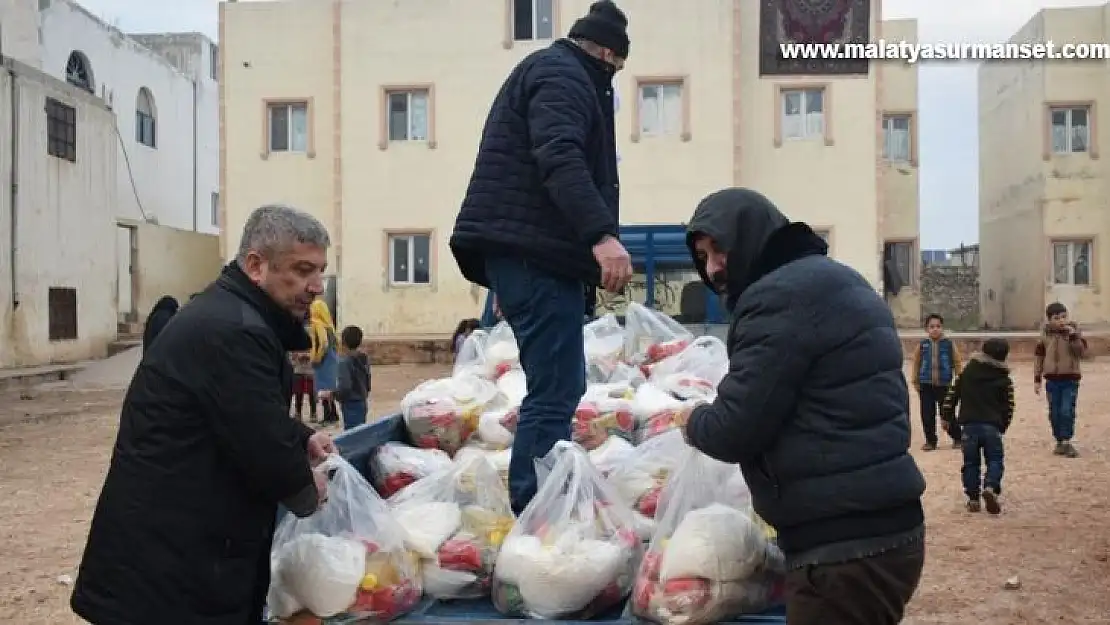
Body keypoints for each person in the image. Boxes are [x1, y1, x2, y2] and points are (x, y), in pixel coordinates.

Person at [71, 204, 337, 624]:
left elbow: (239, 409)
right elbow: (261, 444)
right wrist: (306, 486)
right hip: (167, 573)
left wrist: (301, 435)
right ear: (256, 265)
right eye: (303, 270)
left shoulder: (235, 318)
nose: (317, 286)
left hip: (175, 557)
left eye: (320, 271)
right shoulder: (234, 331)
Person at [677, 188, 926, 625]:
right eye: (703, 256)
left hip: (843, 550)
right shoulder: (835, 278)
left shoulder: (779, 298)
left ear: (751, 237)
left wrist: (690, 419)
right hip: (881, 530)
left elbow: (734, 429)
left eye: (720, 250)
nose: (713, 267)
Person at [449, 0, 634, 514]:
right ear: (603, 52)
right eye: (616, 69)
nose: (613, 79)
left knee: (556, 384)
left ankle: (538, 499)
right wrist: (601, 234)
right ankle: (534, 511)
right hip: (537, 258)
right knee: (557, 388)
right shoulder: (564, 77)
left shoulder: (554, 71)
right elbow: (559, 155)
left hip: (528, 258)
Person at [941, 338, 1013, 515]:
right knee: (995, 460)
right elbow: (1009, 406)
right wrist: (1003, 425)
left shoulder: (967, 373)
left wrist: (946, 416)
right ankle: (990, 486)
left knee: (971, 463)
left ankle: (973, 499)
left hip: (969, 426)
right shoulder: (1004, 379)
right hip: (992, 427)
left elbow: (952, 394)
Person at [1034, 301, 1087, 457]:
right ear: (1049, 320)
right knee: (1054, 412)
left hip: (1070, 379)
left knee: (1066, 410)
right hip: (1052, 380)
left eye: (1064, 317)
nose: (1061, 321)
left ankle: (1066, 441)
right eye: (1057, 318)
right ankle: (1059, 440)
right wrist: (1037, 379)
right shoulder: (1045, 335)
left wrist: (1073, 337)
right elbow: (1039, 357)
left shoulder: (1073, 333)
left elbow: (1081, 352)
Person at [911, 313, 963, 450]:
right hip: (925, 385)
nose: (935, 329)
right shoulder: (922, 346)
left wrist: (960, 380)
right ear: (926, 329)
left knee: (947, 413)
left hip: (944, 385)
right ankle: (930, 441)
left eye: (938, 326)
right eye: (932, 326)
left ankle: (958, 437)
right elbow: (916, 363)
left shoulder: (949, 345)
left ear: (942, 328)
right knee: (927, 415)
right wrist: (915, 381)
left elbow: (957, 363)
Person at [334, 325, 371, 431]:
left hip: (350, 403)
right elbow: (368, 380)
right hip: (362, 401)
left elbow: (345, 387)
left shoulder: (344, 362)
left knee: (352, 435)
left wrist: (334, 394)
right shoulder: (364, 358)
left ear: (343, 342)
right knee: (360, 431)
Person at [309, 299, 340, 425]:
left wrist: (316, 357)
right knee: (330, 388)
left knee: (322, 388)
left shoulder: (317, 323)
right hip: (332, 359)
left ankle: (328, 415)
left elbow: (323, 343)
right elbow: (336, 344)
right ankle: (333, 413)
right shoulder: (330, 326)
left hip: (323, 360)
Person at [290, 344, 317, 422]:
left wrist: (308, 356)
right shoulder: (295, 343)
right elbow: (292, 357)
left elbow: (315, 354)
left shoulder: (312, 341)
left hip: (310, 371)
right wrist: (297, 356)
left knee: (312, 394)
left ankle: (314, 413)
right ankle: (298, 413)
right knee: (298, 394)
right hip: (298, 371)